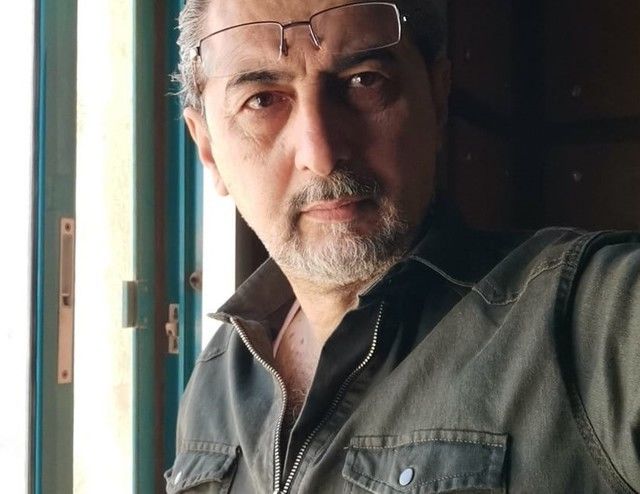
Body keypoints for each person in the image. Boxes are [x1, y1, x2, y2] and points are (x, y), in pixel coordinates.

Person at [165, 0, 640, 492]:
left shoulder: (589, 324)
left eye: (364, 80)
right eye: (263, 100)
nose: (321, 154)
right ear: (207, 149)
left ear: (437, 99)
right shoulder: (216, 376)